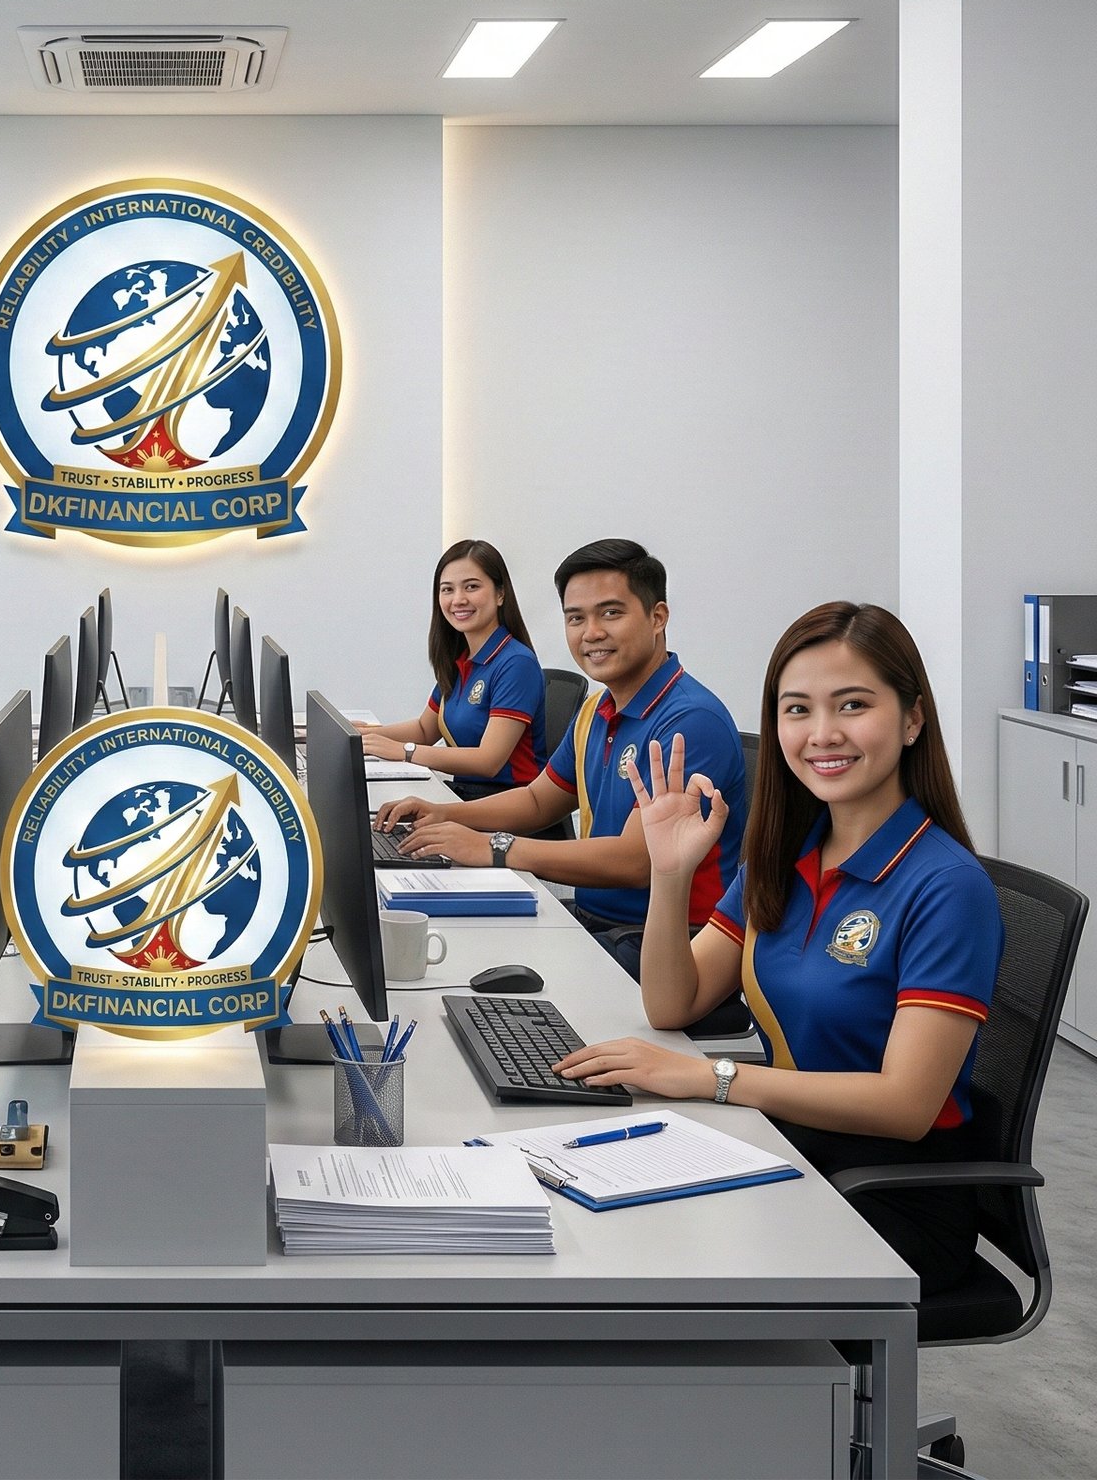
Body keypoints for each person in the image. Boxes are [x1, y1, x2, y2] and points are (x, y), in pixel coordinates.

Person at [553, 602, 1004, 1297]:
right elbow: (673, 1002)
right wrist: (670, 876)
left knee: (648, 1265)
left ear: (913, 718)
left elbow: (906, 1104)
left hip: (886, 1197)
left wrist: (713, 1077)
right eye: (797, 710)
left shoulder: (946, 885)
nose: (823, 733)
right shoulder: (788, 856)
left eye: (853, 705)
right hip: (789, 1144)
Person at [378, 539, 747, 976]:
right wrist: (443, 814)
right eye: (576, 618)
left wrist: (494, 848)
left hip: (668, 944)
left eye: (611, 613)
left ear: (657, 617)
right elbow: (538, 801)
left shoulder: (690, 721)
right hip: (599, 922)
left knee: (469, 975)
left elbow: (634, 862)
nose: (591, 632)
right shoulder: (597, 709)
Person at [359, 539, 549, 793]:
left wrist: (405, 751)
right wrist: (361, 736)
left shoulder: (516, 663)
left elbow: (488, 761)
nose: (458, 599)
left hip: (507, 801)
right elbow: (425, 730)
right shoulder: (461, 659)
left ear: (500, 594)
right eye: (447, 589)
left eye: (471, 587)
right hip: (466, 794)